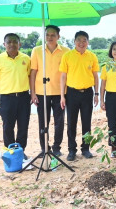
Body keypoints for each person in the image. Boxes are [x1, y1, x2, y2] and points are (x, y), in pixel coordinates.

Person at [30, 25, 70, 157]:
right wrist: (33, 92)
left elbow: (67, 73)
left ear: (58, 36)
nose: (50, 37)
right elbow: (33, 72)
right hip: (42, 92)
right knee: (43, 121)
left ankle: (57, 147)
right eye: (47, 35)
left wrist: (65, 93)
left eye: (53, 35)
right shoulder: (37, 51)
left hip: (60, 93)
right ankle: (44, 147)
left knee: (59, 121)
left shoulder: (66, 51)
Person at [0, 33, 31, 159]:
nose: (12, 44)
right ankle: (10, 152)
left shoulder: (26, 59)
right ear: (4, 44)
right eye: (9, 42)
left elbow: (31, 77)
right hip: (7, 98)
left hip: (24, 97)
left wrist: (33, 94)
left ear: (20, 44)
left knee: (23, 126)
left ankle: (21, 151)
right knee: (8, 126)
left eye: (14, 42)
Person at [59, 31, 99, 161]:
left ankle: (86, 149)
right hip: (71, 93)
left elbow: (95, 76)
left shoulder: (92, 56)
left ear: (88, 42)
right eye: (79, 40)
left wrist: (96, 93)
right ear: (74, 41)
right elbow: (63, 76)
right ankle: (72, 150)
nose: (82, 43)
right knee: (71, 123)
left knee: (86, 122)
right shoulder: (67, 56)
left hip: (87, 93)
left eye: (84, 40)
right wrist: (62, 96)